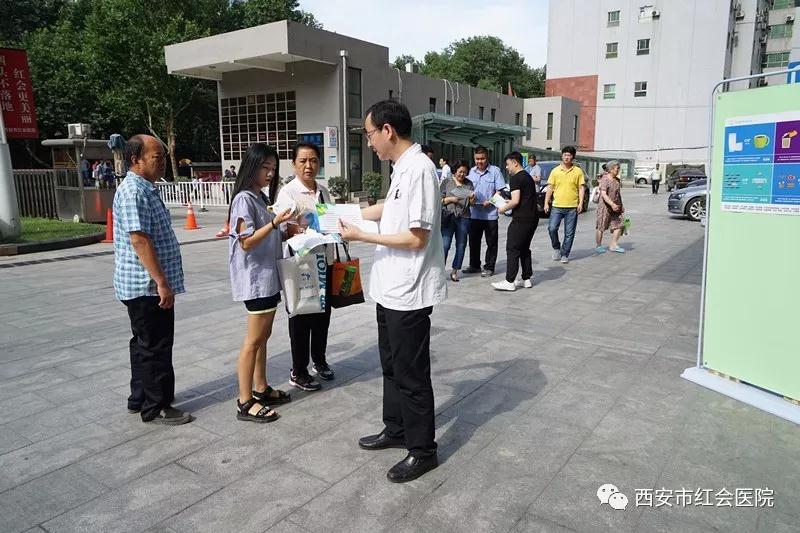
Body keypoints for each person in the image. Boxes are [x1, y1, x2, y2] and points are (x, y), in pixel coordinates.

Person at [338, 100, 446, 483]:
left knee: (411, 374)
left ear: (388, 130)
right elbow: (387, 208)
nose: (369, 143)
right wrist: (338, 213)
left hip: (410, 291)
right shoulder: (402, 168)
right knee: (390, 366)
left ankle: (423, 450)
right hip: (390, 289)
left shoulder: (420, 170)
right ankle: (396, 428)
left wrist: (361, 235)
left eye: (369, 134)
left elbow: (417, 238)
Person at [113, 134, 192, 425]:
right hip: (146, 286)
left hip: (143, 284)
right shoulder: (134, 191)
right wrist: (161, 282)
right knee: (155, 345)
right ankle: (156, 406)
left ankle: (140, 397)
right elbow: (140, 240)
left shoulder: (145, 188)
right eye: (157, 157)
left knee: (143, 343)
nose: (163, 163)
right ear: (136, 160)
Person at [228, 143, 294, 422]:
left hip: (268, 278)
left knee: (263, 337)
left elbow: (268, 236)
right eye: (265, 167)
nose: (270, 173)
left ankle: (260, 387)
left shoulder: (259, 197)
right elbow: (246, 242)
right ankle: (245, 401)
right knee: (253, 340)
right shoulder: (244, 199)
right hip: (256, 279)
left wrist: (288, 230)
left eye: (273, 168)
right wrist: (275, 223)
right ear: (251, 167)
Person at [275, 142, 335, 391]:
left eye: (313, 160)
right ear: (294, 164)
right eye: (303, 161)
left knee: (322, 315)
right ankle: (298, 370)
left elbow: (331, 220)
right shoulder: (288, 193)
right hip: (300, 265)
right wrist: (304, 229)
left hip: (324, 262)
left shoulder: (323, 191)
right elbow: (283, 228)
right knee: (300, 317)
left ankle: (319, 360)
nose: (309, 165)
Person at [492, 152, 539, 291]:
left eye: (508, 164)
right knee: (524, 248)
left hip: (521, 219)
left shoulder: (516, 178)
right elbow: (523, 198)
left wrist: (503, 208)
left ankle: (509, 281)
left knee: (512, 248)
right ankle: (526, 279)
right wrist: (510, 202)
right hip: (532, 218)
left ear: (515, 163)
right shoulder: (528, 177)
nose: (507, 168)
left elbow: (516, 201)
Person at [464, 146, 506, 277]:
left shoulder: (495, 172)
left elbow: (500, 191)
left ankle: (489, 267)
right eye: (477, 159)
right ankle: (474, 265)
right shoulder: (471, 172)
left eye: (482, 159)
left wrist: (491, 201)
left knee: (491, 242)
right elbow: (466, 189)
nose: (479, 161)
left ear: (487, 158)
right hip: (474, 213)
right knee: (473, 241)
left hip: (490, 215)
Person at [544, 146, 585, 264]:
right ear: (562, 156)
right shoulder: (555, 171)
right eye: (565, 155)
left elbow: (581, 188)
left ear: (573, 157)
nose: (567, 157)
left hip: (572, 207)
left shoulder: (578, 171)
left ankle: (565, 253)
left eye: (569, 155)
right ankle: (556, 248)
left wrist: (580, 203)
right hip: (557, 206)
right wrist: (546, 203)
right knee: (552, 228)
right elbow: (550, 187)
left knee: (569, 233)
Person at [440, 160, 475, 282]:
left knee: (461, 244)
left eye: (465, 172)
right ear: (455, 171)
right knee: (445, 245)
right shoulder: (446, 182)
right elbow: (439, 200)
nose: (462, 174)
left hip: (464, 217)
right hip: (448, 217)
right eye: (460, 172)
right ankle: (440, 270)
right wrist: (450, 199)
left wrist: (472, 199)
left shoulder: (469, 184)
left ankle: (455, 271)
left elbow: (472, 204)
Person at [595, 160, 626, 253]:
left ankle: (613, 245)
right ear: (611, 169)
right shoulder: (605, 179)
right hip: (605, 207)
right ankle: (598, 245)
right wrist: (611, 204)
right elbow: (604, 194)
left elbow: (618, 195)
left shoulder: (617, 180)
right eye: (617, 168)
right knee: (601, 226)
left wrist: (621, 205)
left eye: (619, 168)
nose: (618, 170)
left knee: (620, 224)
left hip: (616, 206)